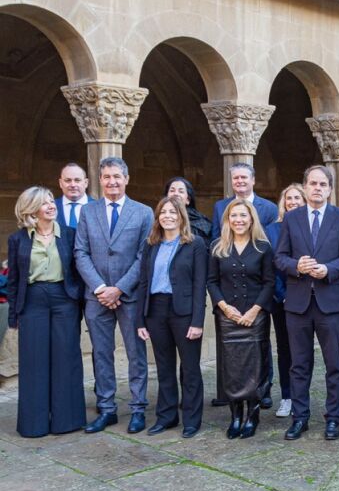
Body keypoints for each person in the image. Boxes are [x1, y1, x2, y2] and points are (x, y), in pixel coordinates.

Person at [274, 165, 339, 441]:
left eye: (323, 184)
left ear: (330, 189)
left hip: (331, 302)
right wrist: (296, 266)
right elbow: (280, 257)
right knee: (299, 364)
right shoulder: (292, 218)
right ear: (305, 186)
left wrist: (329, 269)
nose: (318, 188)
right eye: (313, 183)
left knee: (334, 364)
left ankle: (333, 418)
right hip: (297, 303)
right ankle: (300, 418)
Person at [74, 157, 154, 434]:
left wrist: (119, 288)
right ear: (100, 180)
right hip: (96, 297)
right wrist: (100, 288)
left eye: (117, 176)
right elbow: (80, 252)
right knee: (101, 354)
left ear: (126, 179)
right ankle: (106, 408)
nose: (112, 181)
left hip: (129, 296)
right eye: (106, 176)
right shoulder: (88, 212)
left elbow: (144, 255)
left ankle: (138, 408)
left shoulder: (143, 213)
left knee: (136, 354)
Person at [7, 186, 84, 437]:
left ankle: (67, 421)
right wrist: (13, 317)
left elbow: (78, 270)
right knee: (34, 362)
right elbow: (13, 280)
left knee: (66, 358)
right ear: (31, 209)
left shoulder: (70, 234)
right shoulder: (17, 239)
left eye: (52, 201)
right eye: (44, 203)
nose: (51, 206)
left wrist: (78, 299)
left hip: (64, 299)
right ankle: (34, 425)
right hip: (32, 301)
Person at [136, 197, 207, 438]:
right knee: (164, 367)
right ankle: (166, 417)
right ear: (157, 218)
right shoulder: (150, 244)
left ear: (181, 216)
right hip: (156, 310)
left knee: (190, 368)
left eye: (172, 212)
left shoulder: (195, 244)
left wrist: (197, 321)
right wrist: (140, 320)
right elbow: (143, 283)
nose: (167, 216)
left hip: (184, 312)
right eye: (163, 212)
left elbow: (199, 285)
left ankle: (192, 419)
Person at [211, 163, 278, 408]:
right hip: (228, 309)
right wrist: (224, 307)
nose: (238, 220)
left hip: (255, 309)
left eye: (243, 216)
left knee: (258, 357)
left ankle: (258, 401)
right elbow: (212, 279)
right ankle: (234, 409)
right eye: (234, 216)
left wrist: (255, 310)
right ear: (227, 219)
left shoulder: (264, 237)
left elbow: (269, 280)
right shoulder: (218, 244)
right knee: (231, 361)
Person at [265, 183, 305, 418]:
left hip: (308, 296)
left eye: (297, 198)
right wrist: (283, 294)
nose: (293, 202)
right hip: (281, 299)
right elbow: (272, 265)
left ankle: (302, 396)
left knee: (304, 350)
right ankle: (287, 397)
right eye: (289, 198)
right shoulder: (271, 230)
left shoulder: (311, 227)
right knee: (285, 349)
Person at [165, 177, 213, 246]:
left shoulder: (201, 224)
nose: (176, 194)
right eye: (172, 191)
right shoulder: (160, 220)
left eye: (181, 191)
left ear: (188, 200)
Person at [55, 163, 92, 231]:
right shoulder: (52, 207)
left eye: (77, 180)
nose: (73, 185)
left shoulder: (98, 208)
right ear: (60, 183)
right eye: (68, 180)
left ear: (86, 183)